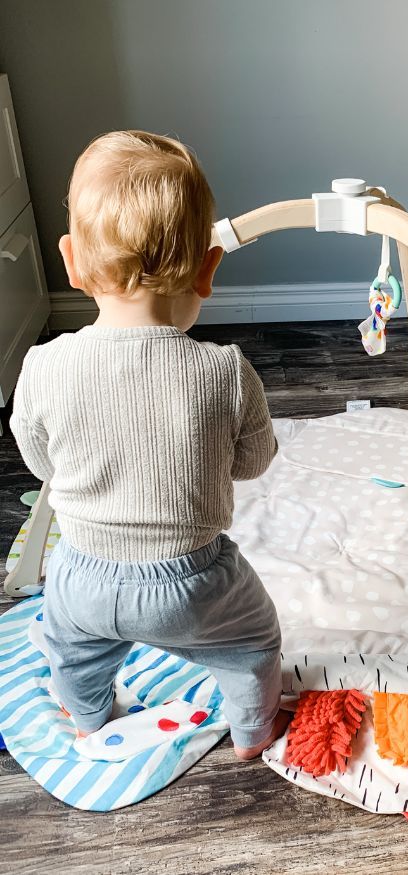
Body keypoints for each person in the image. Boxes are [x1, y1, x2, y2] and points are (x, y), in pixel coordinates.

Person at [10, 130, 286, 759]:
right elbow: (252, 462)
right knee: (253, 641)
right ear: (209, 269)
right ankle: (253, 731)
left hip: (80, 575)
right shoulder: (224, 370)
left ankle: (87, 716)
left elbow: (41, 462)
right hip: (191, 584)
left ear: (71, 262)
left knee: (69, 647)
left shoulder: (43, 366)